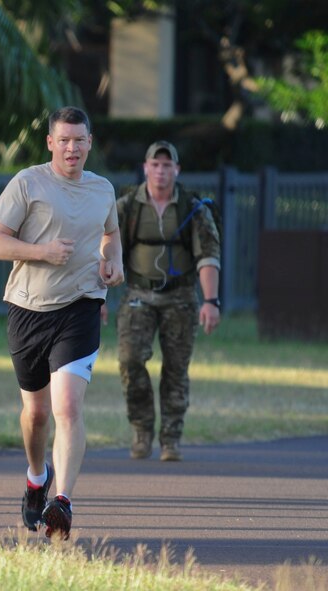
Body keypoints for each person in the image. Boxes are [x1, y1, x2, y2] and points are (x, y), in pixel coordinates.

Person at [0, 106, 123, 540]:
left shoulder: (102, 189)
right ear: (50, 143)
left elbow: (111, 234)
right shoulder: (28, 182)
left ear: (90, 143)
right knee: (37, 413)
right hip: (28, 309)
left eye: (80, 140)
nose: (72, 148)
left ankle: (62, 501)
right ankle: (35, 476)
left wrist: (113, 262)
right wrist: (42, 252)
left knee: (68, 407)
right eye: (64, 140)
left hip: (81, 306)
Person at [105, 140, 221, 462]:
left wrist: (211, 301)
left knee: (176, 368)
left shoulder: (194, 208)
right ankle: (141, 430)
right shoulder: (127, 207)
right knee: (130, 360)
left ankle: (171, 438)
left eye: (167, 165)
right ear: (145, 168)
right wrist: (97, 297)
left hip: (181, 297)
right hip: (138, 294)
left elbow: (208, 256)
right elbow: (105, 250)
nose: (160, 171)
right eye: (155, 165)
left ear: (177, 170)